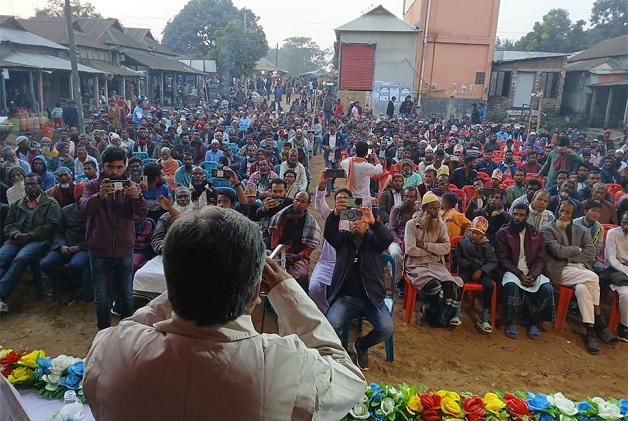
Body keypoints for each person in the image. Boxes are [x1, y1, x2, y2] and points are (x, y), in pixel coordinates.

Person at [83, 206, 366, 420]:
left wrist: (187, 278)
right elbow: (349, 380)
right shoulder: (288, 366)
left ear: (169, 280)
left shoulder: (113, 350)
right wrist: (287, 291)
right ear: (256, 291)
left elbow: (130, 327)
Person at [78, 145, 148, 330]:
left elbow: (142, 213)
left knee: (127, 295)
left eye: (119, 167)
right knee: (101, 297)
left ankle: (126, 332)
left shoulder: (131, 186)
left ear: (125, 166)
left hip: (125, 247)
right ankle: (104, 333)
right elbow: (83, 209)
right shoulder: (92, 185)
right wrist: (99, 196)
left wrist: (137, 197)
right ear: (103, 166)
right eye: (110, 167)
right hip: (99, 248)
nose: (115, 171)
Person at [325, 196, 394, 371]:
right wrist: (335, 214)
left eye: (361, 220)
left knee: (386, 329)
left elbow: (387, 239)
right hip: (346, 298)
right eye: (352, 220)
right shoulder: (342, 240)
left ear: (367, 225)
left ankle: (361, 345)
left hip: (372, 299)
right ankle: (339, 349)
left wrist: (375, 222)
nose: (356, 223)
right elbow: (329, 233)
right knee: (331, 323)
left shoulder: (374, 242)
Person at [541, 200, 618, 354]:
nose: (563, 215)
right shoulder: (547, 229)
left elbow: (590, 253)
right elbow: (556, 251)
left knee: (583, 289)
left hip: (581, 270)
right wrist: (577, 249)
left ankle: (589, 331)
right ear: (557, 211)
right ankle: (599, 320)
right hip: (560, 270)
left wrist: (569, 254)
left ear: (573, 214)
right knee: (593, 278)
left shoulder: (582, 230)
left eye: (567, 212)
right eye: (561, 211)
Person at [0, 173, 60, 312]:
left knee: (21, 258)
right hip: (17, 239)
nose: (30, 187)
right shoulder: (17, 204)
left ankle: (2, 294)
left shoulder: (51, 203)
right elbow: (8, 225)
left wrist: (30, 235)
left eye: (33, 184)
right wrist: (15, 234)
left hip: (39, 240)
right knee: (2, 257)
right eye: (27, 184)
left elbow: (51, 226)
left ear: (41, 185)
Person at [495, 203, 555, 340]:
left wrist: (533, 275)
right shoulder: (503, 233)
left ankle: (533, 322)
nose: (517, 217)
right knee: (511, 286)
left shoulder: (536, 234)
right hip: (512, 270)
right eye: (515, 214)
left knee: (547, 288)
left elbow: (540, 259)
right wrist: (520, 275)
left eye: (521, 215)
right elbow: (503, 260)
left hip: (531, 271)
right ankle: (510, 321)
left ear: (527, 217)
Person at [404, 192, 463, 327]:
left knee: (450, 285)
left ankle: (437, 316)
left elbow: (446, 248)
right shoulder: (411, 225)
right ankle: (431, 314)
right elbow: (410, 250)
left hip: (436, 263)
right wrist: (433, 251)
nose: (436, 212)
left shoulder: (441, 224)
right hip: (415, 264)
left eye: (438, 208)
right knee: (434, 286)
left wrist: (425, 245)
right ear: (424, 208)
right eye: (432, 208)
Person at [309, 169, 352, 314]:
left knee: (343, 294)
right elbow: (319, 204)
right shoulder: (330, 215)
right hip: (326, 263)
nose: (342, 202)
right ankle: (327, 313)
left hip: (347, 264)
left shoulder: (356, 217)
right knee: (313, 288)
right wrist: (322, 185)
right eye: (339, 199)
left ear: (352, 202)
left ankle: (339, 314)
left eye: (345, 199)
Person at [40, 183, 88, 305]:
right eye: (80, 196)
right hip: (65, 246)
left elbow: (97, 236)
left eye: (85, 196)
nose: (83, 199)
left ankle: (72, 287)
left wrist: (79, 247)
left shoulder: (96, 213)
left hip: (84, 247)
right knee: (46, 263)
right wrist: (61, 245)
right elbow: (58, 231)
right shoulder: (66, 210)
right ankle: (69, 287)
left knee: (75, 265)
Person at [453, 216, 498, 333]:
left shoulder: (487, 246)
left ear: (483, 234)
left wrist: (482, 270)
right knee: (459, 283)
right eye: (473, 232)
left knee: (489, 286)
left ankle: (484, 315)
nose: (475, 235)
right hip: (466, 270)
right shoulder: (463, 243)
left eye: (478, 234)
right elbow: (457, 257)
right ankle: (456, 311)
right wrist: (464, 263)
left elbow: (492, 261)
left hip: (482, 272)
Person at [268, 191, 321, 290]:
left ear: (308, 204)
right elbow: (275, 240)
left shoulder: (311, 224)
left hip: (299, 257)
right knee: (272, 274)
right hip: (279, 253)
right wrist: (281, 254)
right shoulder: (280, 218)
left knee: (301, 275)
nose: (298, 204)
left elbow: (309, 247)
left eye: (302, 202)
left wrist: (297, 256)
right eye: (297, 200)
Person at [601, 212, 628, 342]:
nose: (626, 226)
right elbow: (611, 260)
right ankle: (624, 327)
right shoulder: (613, 234)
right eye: (624, 222)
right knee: (626, 293)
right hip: (614, 271)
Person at [388, 186, 419, 290]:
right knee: (395, 254)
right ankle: (399, 281)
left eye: (411, 197)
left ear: (415, 198)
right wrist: (399, 241)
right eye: (406, 196)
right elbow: (391, 229)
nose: (408, 199)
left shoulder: (419, 212)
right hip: (397, 239)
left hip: (414, 242)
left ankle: (411, 283)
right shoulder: (396, 209)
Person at [341, 142, 382, 207]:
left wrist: (356, 155)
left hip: (351, 197)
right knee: (365, 216)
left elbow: (343, 162)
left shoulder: (348, 163)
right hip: (364, 199)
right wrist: (375, 157)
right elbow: (379, 170)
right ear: (366, 153)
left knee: (353, 216)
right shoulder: (367, 166)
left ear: (355, 151)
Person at [573, 200, 605, 273]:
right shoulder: (575, 223)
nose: (596, 214)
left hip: (590, 257)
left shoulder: (599, 228)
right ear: (585, 211)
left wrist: (590, 257)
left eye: (599, 212)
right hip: (576, 254)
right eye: (593, 211)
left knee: (600, 267)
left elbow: (598, 248)